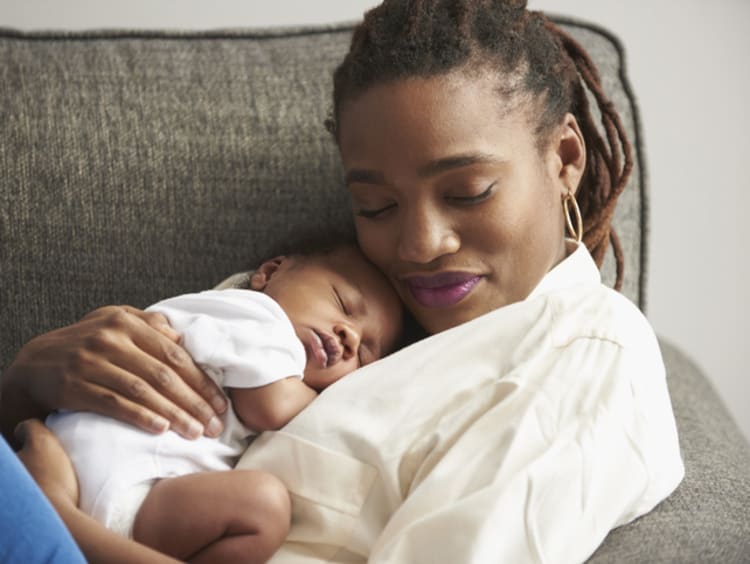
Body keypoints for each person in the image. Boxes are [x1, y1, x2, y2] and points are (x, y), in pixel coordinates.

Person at [3, 1, 684, 562]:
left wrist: (57, 518)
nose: (418, 246)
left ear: (564, 157)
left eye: (470, 191)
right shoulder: (324, 294)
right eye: (376, 208)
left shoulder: (580, 353)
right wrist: (29, 381)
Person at [43, 243, 403, 563]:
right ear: (270, 272)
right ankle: (68, 526)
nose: (350, 335)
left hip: (91, 466)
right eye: (342, 302)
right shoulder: (257, 315)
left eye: (366, 356)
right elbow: (269, 407)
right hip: (117, 475)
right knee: (264, 505)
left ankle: (69, 528)